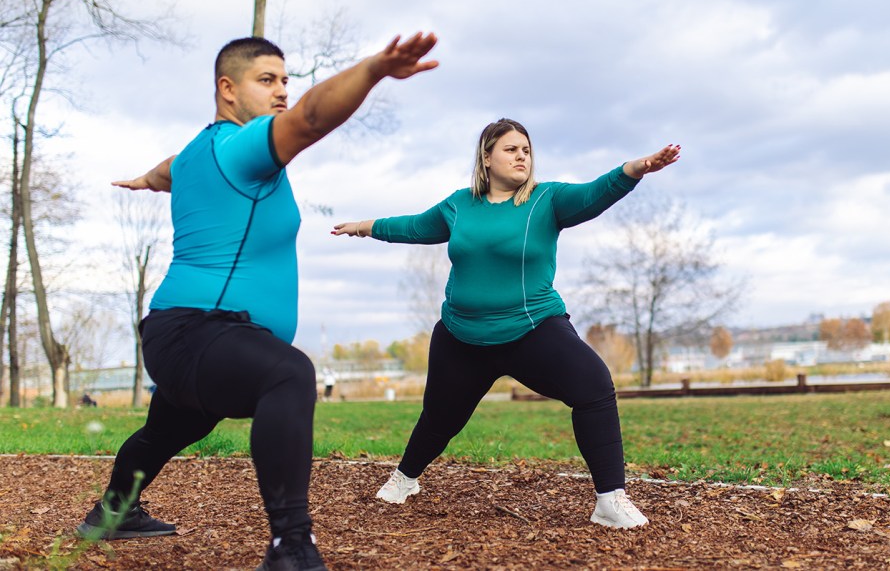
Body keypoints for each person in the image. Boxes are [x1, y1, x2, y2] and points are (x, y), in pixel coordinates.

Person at [76, 33, 437, 570]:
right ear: (227, 89)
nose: (282, 93)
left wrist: (145, 181)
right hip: (201, 330)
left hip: (179, 335)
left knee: (167, 430)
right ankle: (291, 547)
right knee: (287, 375)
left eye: (286, 81)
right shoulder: (242, 148)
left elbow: (165, 171)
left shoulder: (197, 153)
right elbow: (312, 119)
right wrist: (375, 69)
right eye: (266, 80)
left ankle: (112, 512)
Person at [331, 118, 679, 529]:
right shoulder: (459, 205)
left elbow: (594, 194)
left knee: (594, 386)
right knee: (440, 418)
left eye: (526, 150)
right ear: (486, 157)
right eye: (511, 149)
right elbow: (414, 226)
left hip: (532, 328)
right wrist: (365, 228)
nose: (521, 156)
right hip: (462, 335)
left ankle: (610, 500)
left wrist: (634, 169)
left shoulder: (547, 200)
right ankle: (405, 479)